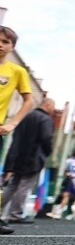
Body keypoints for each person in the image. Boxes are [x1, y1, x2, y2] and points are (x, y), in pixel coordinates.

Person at [1, 97, 55, 226]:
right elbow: (46, 138)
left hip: (18, 156)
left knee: (13, 185)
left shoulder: (26, 116)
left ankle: (4, 209)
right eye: (52, 106)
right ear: (47, 105)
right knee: (24, 185)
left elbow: (16, 136)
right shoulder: (45, 119)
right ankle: (15, 214)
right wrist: (47, 152)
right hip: (33, 157)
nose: (53, 109)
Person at [0, 26, 35, 159]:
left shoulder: (18, 72)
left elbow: (29, 101)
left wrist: (13, 123)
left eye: (5, 42)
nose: (0, 45)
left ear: (12, 47)